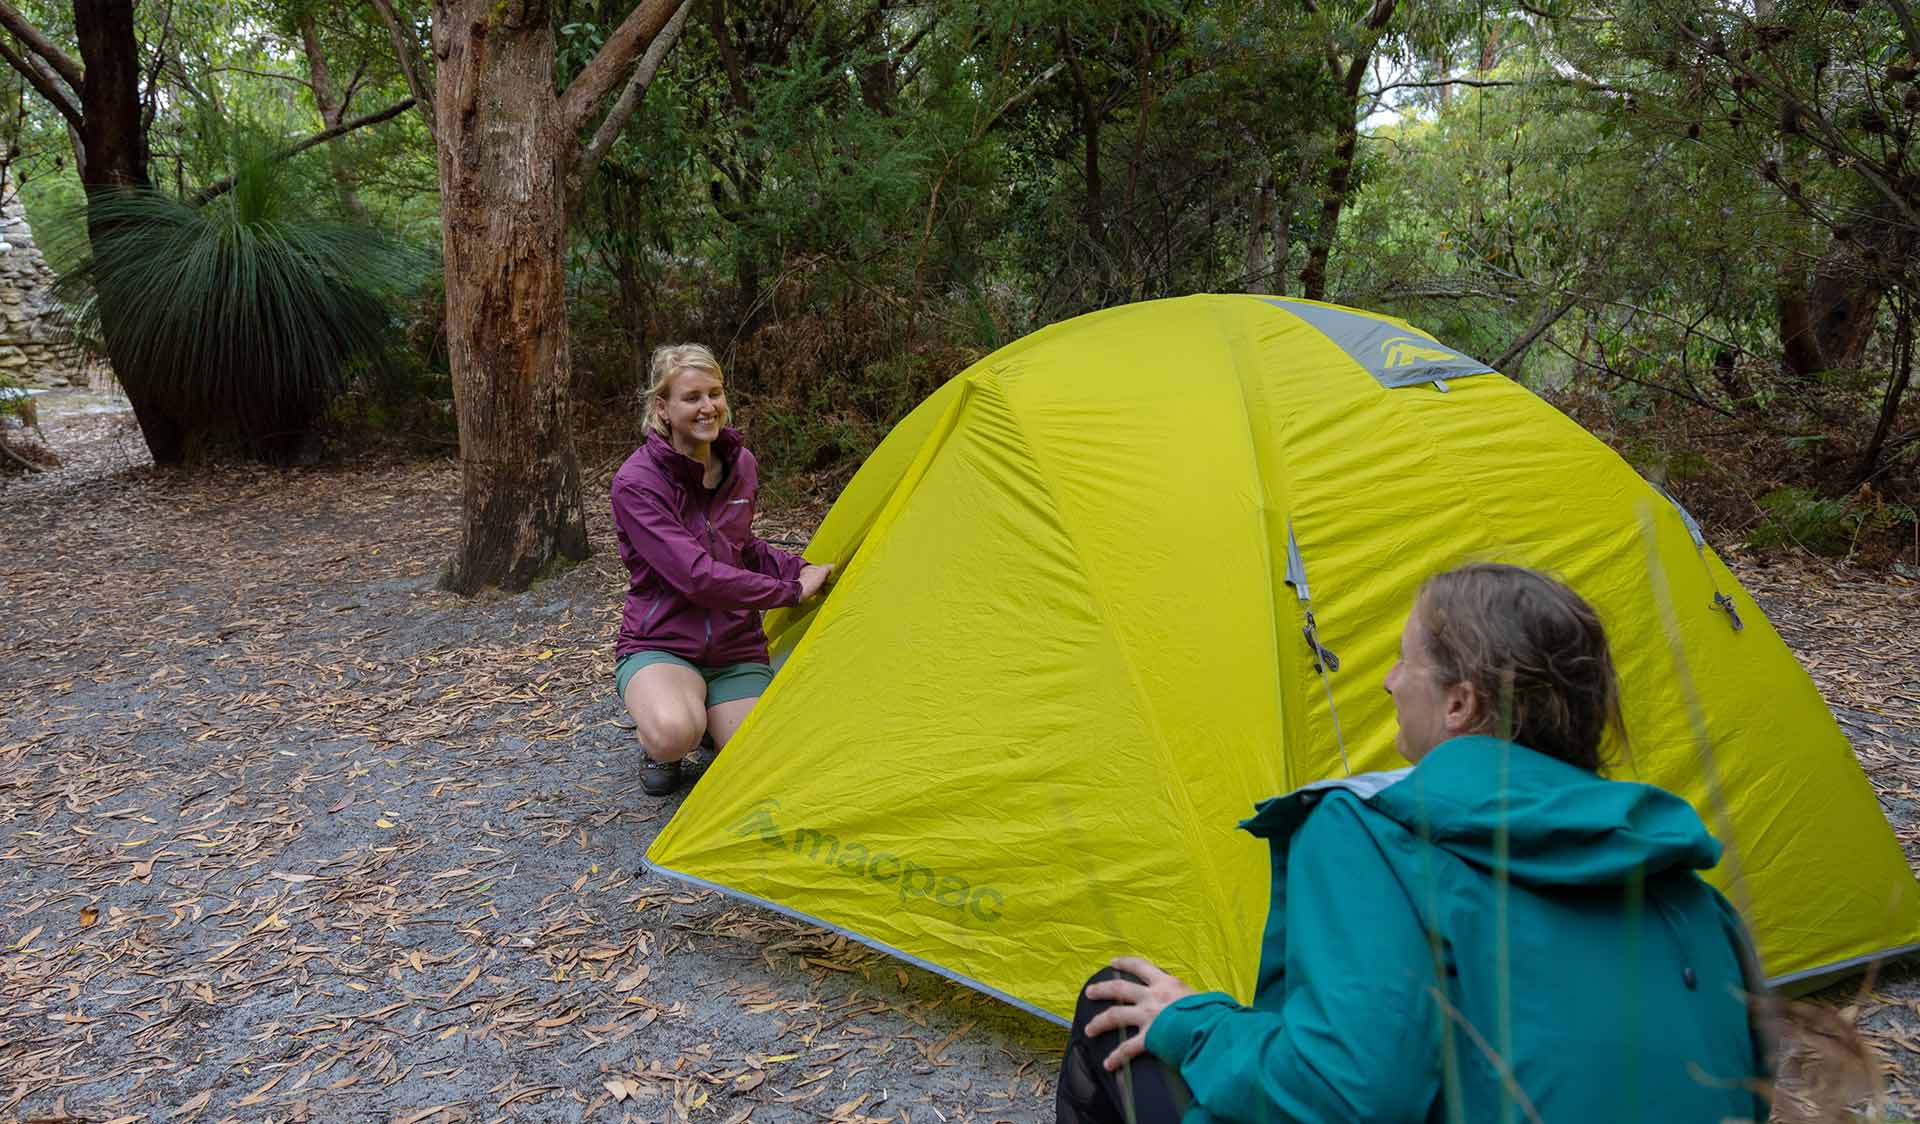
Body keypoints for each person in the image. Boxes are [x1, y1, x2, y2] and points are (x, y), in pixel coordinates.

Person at [1057, 563, 1770, 1124]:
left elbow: (1348, 1095)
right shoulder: (1690, 889)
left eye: (1405, 661)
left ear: (1460, 702)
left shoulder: (1368, 833)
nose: (1390, 681)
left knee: (1110, 1012)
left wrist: (1194, 1024)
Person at [611, 343, 832, 797]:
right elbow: (696, 575)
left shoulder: (740, 465)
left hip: (735, 648)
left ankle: (714, 721)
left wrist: (803, 568)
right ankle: (662, 742)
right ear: (663, 408)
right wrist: (789, 590)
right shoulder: (637, 483)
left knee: (763, 758)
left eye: (715, 393)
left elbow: (741, 545)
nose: (708, 407)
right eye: (692, 397)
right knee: (675, 734)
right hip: (664, 643)